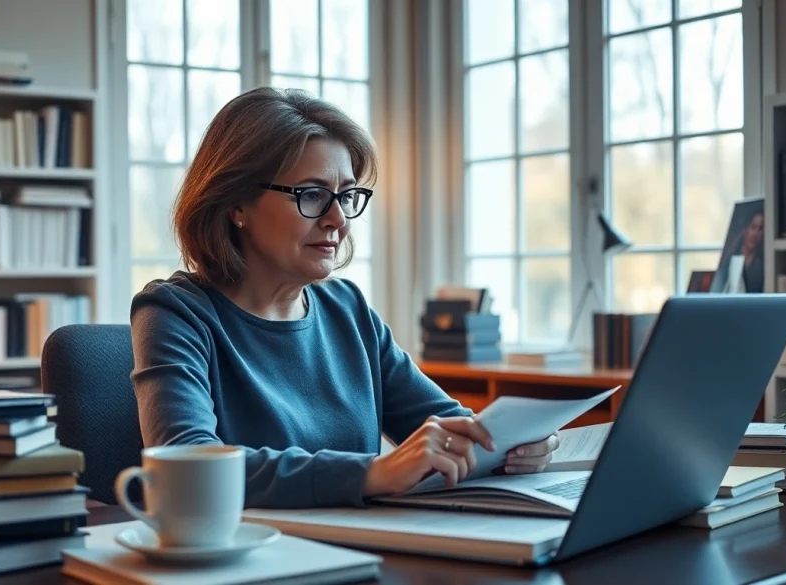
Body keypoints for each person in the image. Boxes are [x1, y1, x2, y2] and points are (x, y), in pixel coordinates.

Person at [129, 86, 559, 509]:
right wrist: (373, 473)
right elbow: (186, 466)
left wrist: (516, 445)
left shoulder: (347, 310)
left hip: (367, 548)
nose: (339, 220)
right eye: (312, 195)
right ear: (236, 204)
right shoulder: (174, 313)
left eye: (347, 196)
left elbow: (452, 426)